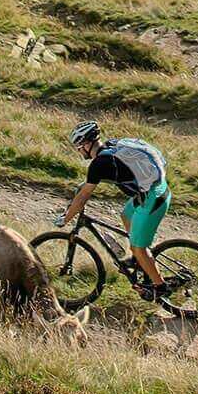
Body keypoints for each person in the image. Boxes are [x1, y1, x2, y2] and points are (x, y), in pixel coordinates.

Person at [62, 121, 171, 298]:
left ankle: (160, 287)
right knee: (126, 214)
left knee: (138, 247)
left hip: (153, 199)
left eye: (79, 146)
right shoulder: (110, 146)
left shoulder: (100, 163)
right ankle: (139, 261)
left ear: (88, 144)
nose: (78, 151)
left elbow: (83, 196)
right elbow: (89, 184)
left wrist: (66, 218)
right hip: (153, 191)